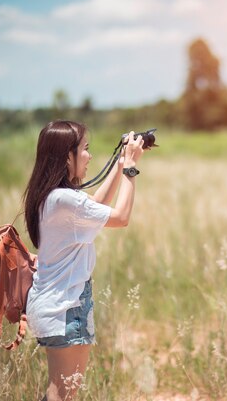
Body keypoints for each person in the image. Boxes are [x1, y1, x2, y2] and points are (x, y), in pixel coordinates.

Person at [23, 120, 146, 401]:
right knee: (62, 394)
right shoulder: (65, 199)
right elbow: (121, 217)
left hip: (57, 305)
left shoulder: (51, 197)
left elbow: (97, 209)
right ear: (67, 156)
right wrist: (130, 168)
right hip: (66, 308)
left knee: (60, 393)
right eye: (85, 149)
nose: (90, 156)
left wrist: (118, 165)